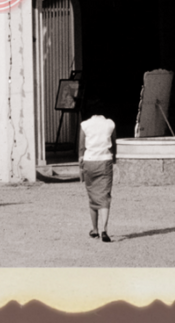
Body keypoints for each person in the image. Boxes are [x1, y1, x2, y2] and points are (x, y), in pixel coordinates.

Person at [78, 97, 117, 242]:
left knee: (93, 195)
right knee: (105, 196)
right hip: (105, 161)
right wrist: (115, 158)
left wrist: (80, 159)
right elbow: (113, 143)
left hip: (89, 161)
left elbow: (82, 146)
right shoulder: (110, 124)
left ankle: (94, 229)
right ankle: (104, 229)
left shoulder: (85, 125)